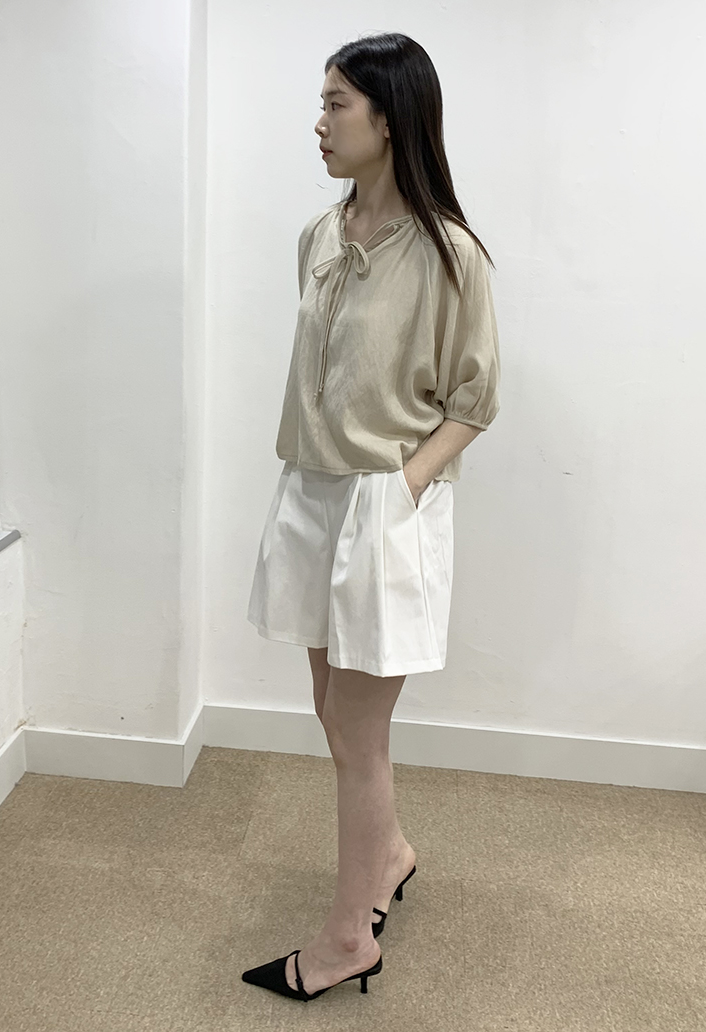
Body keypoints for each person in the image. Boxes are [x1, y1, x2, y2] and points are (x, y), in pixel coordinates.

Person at [242, 32, 500, 1002]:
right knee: (332, 712)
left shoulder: (450, 254)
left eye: (336, 104)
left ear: (389, 118)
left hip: (381, 500)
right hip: (309, 491)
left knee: (359, 733)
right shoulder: (319, 236)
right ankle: (387, 854)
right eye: (323, 103)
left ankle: (350, 937)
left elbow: (474, 401)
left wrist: (402, 490)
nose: (319, 123)